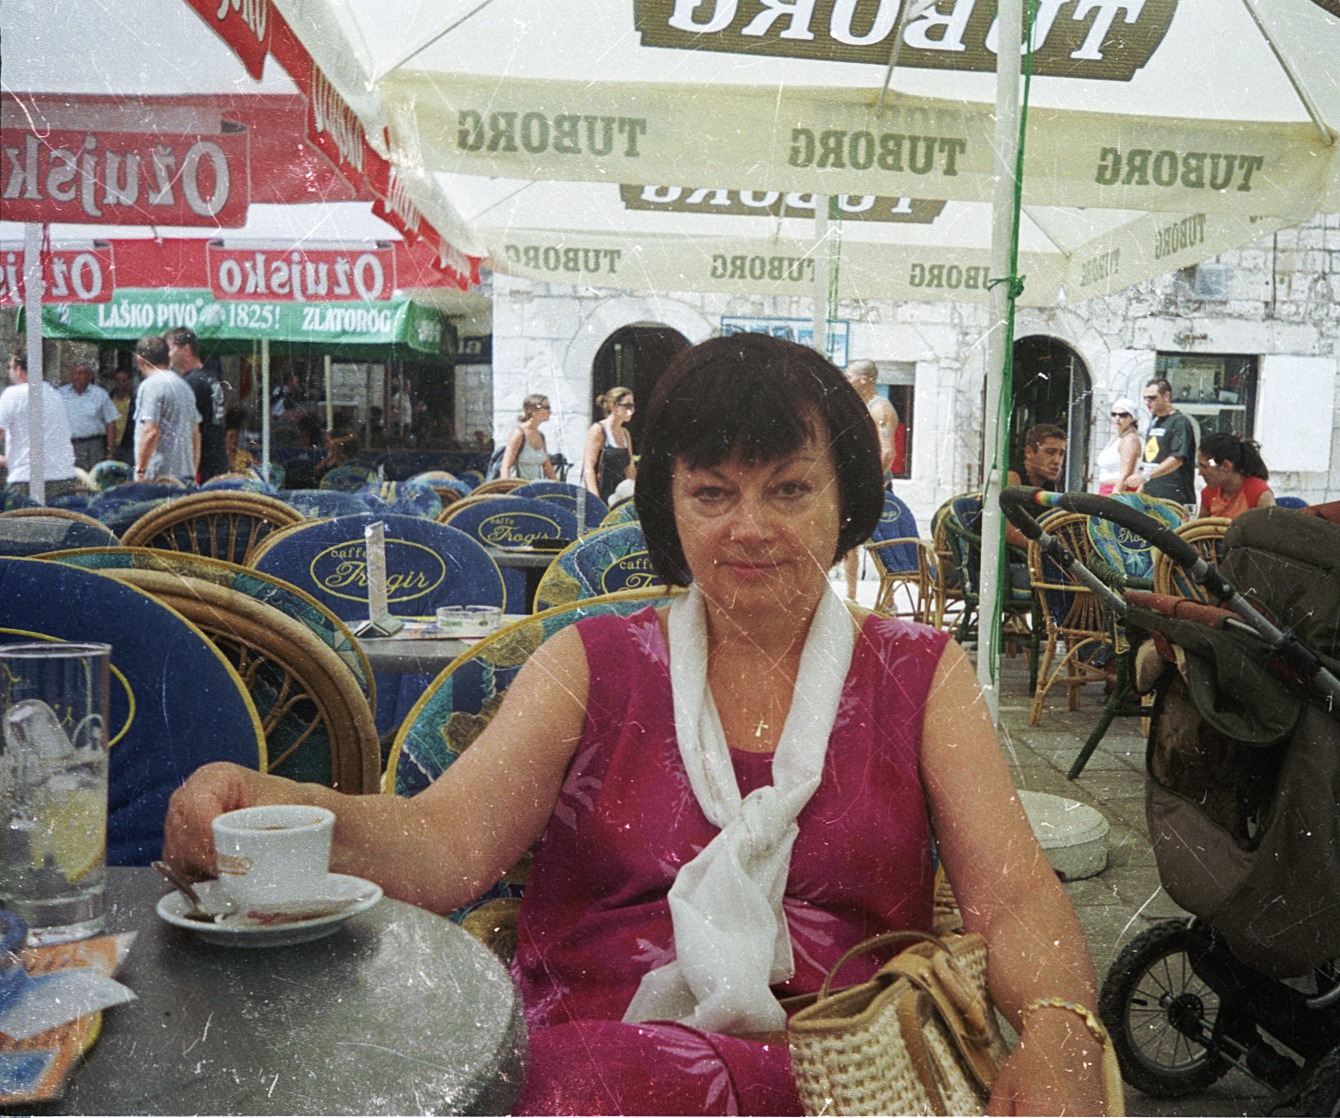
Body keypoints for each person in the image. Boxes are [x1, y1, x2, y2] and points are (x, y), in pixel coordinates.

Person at [161, 334, 1109, 1116]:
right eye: (712, 493)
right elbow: (443, 845)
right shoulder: (591, 663)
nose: (751, 526)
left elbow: (1014, 896)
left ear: (845, 497)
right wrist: (270, 803)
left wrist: (1064, 1026)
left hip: (850, 1077)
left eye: (789, 488)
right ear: (667, 503)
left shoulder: (921, 676)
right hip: (593, 1076)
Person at [841, 360, 898, 599]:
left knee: (880, 542)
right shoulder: (864, 407)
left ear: (864, 380)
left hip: (874, 485)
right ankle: (852, 597)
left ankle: (887, 599)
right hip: (864, 483)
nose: (846, 381)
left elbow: (887, 452)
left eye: (849, 377)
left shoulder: (880, 410)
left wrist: (871, 483)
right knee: (851, 542)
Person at [0, 352, 77, 502]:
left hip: (26, 479)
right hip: (63, 477)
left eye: (9, 367)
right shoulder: (55, 394)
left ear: (19, 369)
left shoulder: (14, 394)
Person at [132, 335, 200, 483]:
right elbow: (196, 434)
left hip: (159, 477)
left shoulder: (150, 385)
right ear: (167, 358)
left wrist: (140, 471)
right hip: (184, 475)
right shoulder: (184, 386)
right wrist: (193, 471)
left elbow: (150, 431)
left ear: (140, 361)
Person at [165, 327, 225, 483]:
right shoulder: (211, 378)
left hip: (200, 464)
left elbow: (189, 430)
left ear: (185, 349)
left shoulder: (191, 383)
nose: (167, 355)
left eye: (170, 349)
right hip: (217, 458)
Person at [1133, 379, 1196, 509]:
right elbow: (1150, 460)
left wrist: (1146, 476)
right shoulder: (1155, 421)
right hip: (1152, 497)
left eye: (1152, 398)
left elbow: (1177, 459)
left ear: (1166, 396)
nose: (1147, 402)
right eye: (1145, 398)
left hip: (1174, 499)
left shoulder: (1180, 422)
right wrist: (1140, 488)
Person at [1005, 423, 1067, 549]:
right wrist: (1040, 550)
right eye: (1050, 452)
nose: (1057, 460)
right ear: (1029, 452)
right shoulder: (1012, 477)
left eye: (1061, 453)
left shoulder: (1050, 485)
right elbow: (1004, 530)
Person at [1196, 432, 1276, 519]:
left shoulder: (1259, 494)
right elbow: (1198, 529)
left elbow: (1272, 530)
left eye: (1204, 466)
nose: (1199, 473)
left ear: (1226, 466)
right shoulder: (1209, 493)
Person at [57, 360, 117, 470]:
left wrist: (110, 452)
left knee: (92, 480)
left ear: (89, 376)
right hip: (69, 445)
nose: (76, 377)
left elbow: (111, 423)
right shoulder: (61, 393)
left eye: (81, 373)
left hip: (93, 445)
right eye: (74, 373)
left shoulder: (100, 394)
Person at [582, 386, 636, 502]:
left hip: (620, 497)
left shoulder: (625, 434)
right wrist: (595, 499)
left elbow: (629, 468)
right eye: (627, 405)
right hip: (601, 494)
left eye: (632, 406)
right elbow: (588, 467)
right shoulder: (598, 430)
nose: (632, 410)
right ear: (613, 406)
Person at [500, 395, 559, 481]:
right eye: (546, 408)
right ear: (533, 411)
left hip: (535, 488)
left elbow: (547, 467)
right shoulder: (519, 433)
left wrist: (558, 486)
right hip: (518, 488)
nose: (550, 412)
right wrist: (506, 488)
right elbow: (505, 467)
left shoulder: (540, 436)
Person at [1094, 398, 1141, 495]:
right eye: (1114, 414)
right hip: (1106, 490)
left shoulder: (1129, 439)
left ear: (1132, 418)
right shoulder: (1118, 437)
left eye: (1123, 415)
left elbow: (1125, 475)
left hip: (1119, 491)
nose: (1117, 418)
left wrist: (1114, 497)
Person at [109, 366, 136, 465]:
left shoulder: (135, 401)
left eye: (124, 380)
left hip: (127, 447)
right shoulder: (108, 399)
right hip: (110, 446)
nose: (120, 383)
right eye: (118, 380)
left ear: (129, 381)